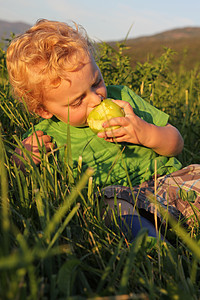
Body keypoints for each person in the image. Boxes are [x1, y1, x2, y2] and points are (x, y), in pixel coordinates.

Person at [6, 19, 200, 241]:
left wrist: (145, 133)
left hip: (168, 182)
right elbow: (20, 183)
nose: (96, 99)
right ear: (43, 109)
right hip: (120, 197)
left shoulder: (124, 100)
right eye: (78, 101)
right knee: (111, 207)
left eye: (96, 82)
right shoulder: (46, 136)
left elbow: (176, 143)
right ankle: (155, 251)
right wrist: (22, 160)